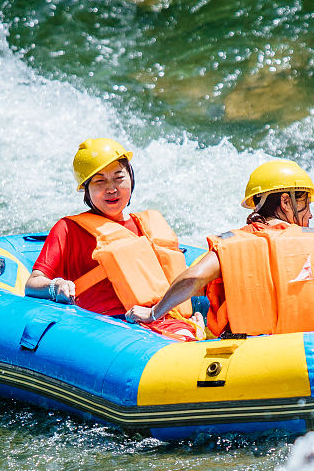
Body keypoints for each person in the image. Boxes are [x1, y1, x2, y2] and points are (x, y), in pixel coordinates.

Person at [125, 159, 314, 337]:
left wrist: (154, 313)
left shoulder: (230, 245)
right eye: (306, 202)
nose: (310, 214)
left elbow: (193, 277)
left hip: (253, 360)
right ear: (286, 201)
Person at [25, 138, 198, 334]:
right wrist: (55, 286)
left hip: (162, 322)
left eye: (119, 178)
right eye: (100, 181)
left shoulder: (146, 227)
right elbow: (32, 283)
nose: (111, 189)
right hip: (108, 330)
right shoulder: (68, 229)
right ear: (86, 189)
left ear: (131, 178)